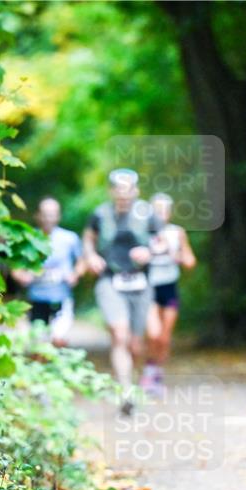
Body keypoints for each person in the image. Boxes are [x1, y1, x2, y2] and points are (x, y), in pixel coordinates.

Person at [82, 169, 159, 415]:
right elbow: (88, 238)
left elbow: (163, 240)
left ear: (136, 190)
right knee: (119, 334)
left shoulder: (147, 213)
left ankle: (130, 380)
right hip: (110, 280)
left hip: (140, 282)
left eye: (129, 189)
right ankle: (125, 391)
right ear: (111, 191)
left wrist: (150, 252)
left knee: (135, 344)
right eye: (119, 189)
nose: (124, 194)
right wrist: (91, 256)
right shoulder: (100, 214)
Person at [141, 193, 196, 394]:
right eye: (156, 209)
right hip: (148, 288)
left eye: (164, 210)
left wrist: (177, 255)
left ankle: (157, 375)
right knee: (153, 334)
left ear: (170, 213)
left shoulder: (177, 233)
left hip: (169, 288)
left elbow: (190, 262)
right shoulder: (143, 233)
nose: (160, 214)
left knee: (164, 337)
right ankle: (148, 371)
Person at [12, 197, 82, 347]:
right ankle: (40, 367)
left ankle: (58, 366)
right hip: (36, 299)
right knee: (38, 342)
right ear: (37, 215)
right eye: (45, 214)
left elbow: (82, 261)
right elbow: (15, 268)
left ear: (59, 216)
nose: (48, 218)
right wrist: (22, 277)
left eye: (52, 214)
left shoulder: (69, 238)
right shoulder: (27, 239)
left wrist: (75, 275)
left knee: (58, 338)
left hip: (61, 297)